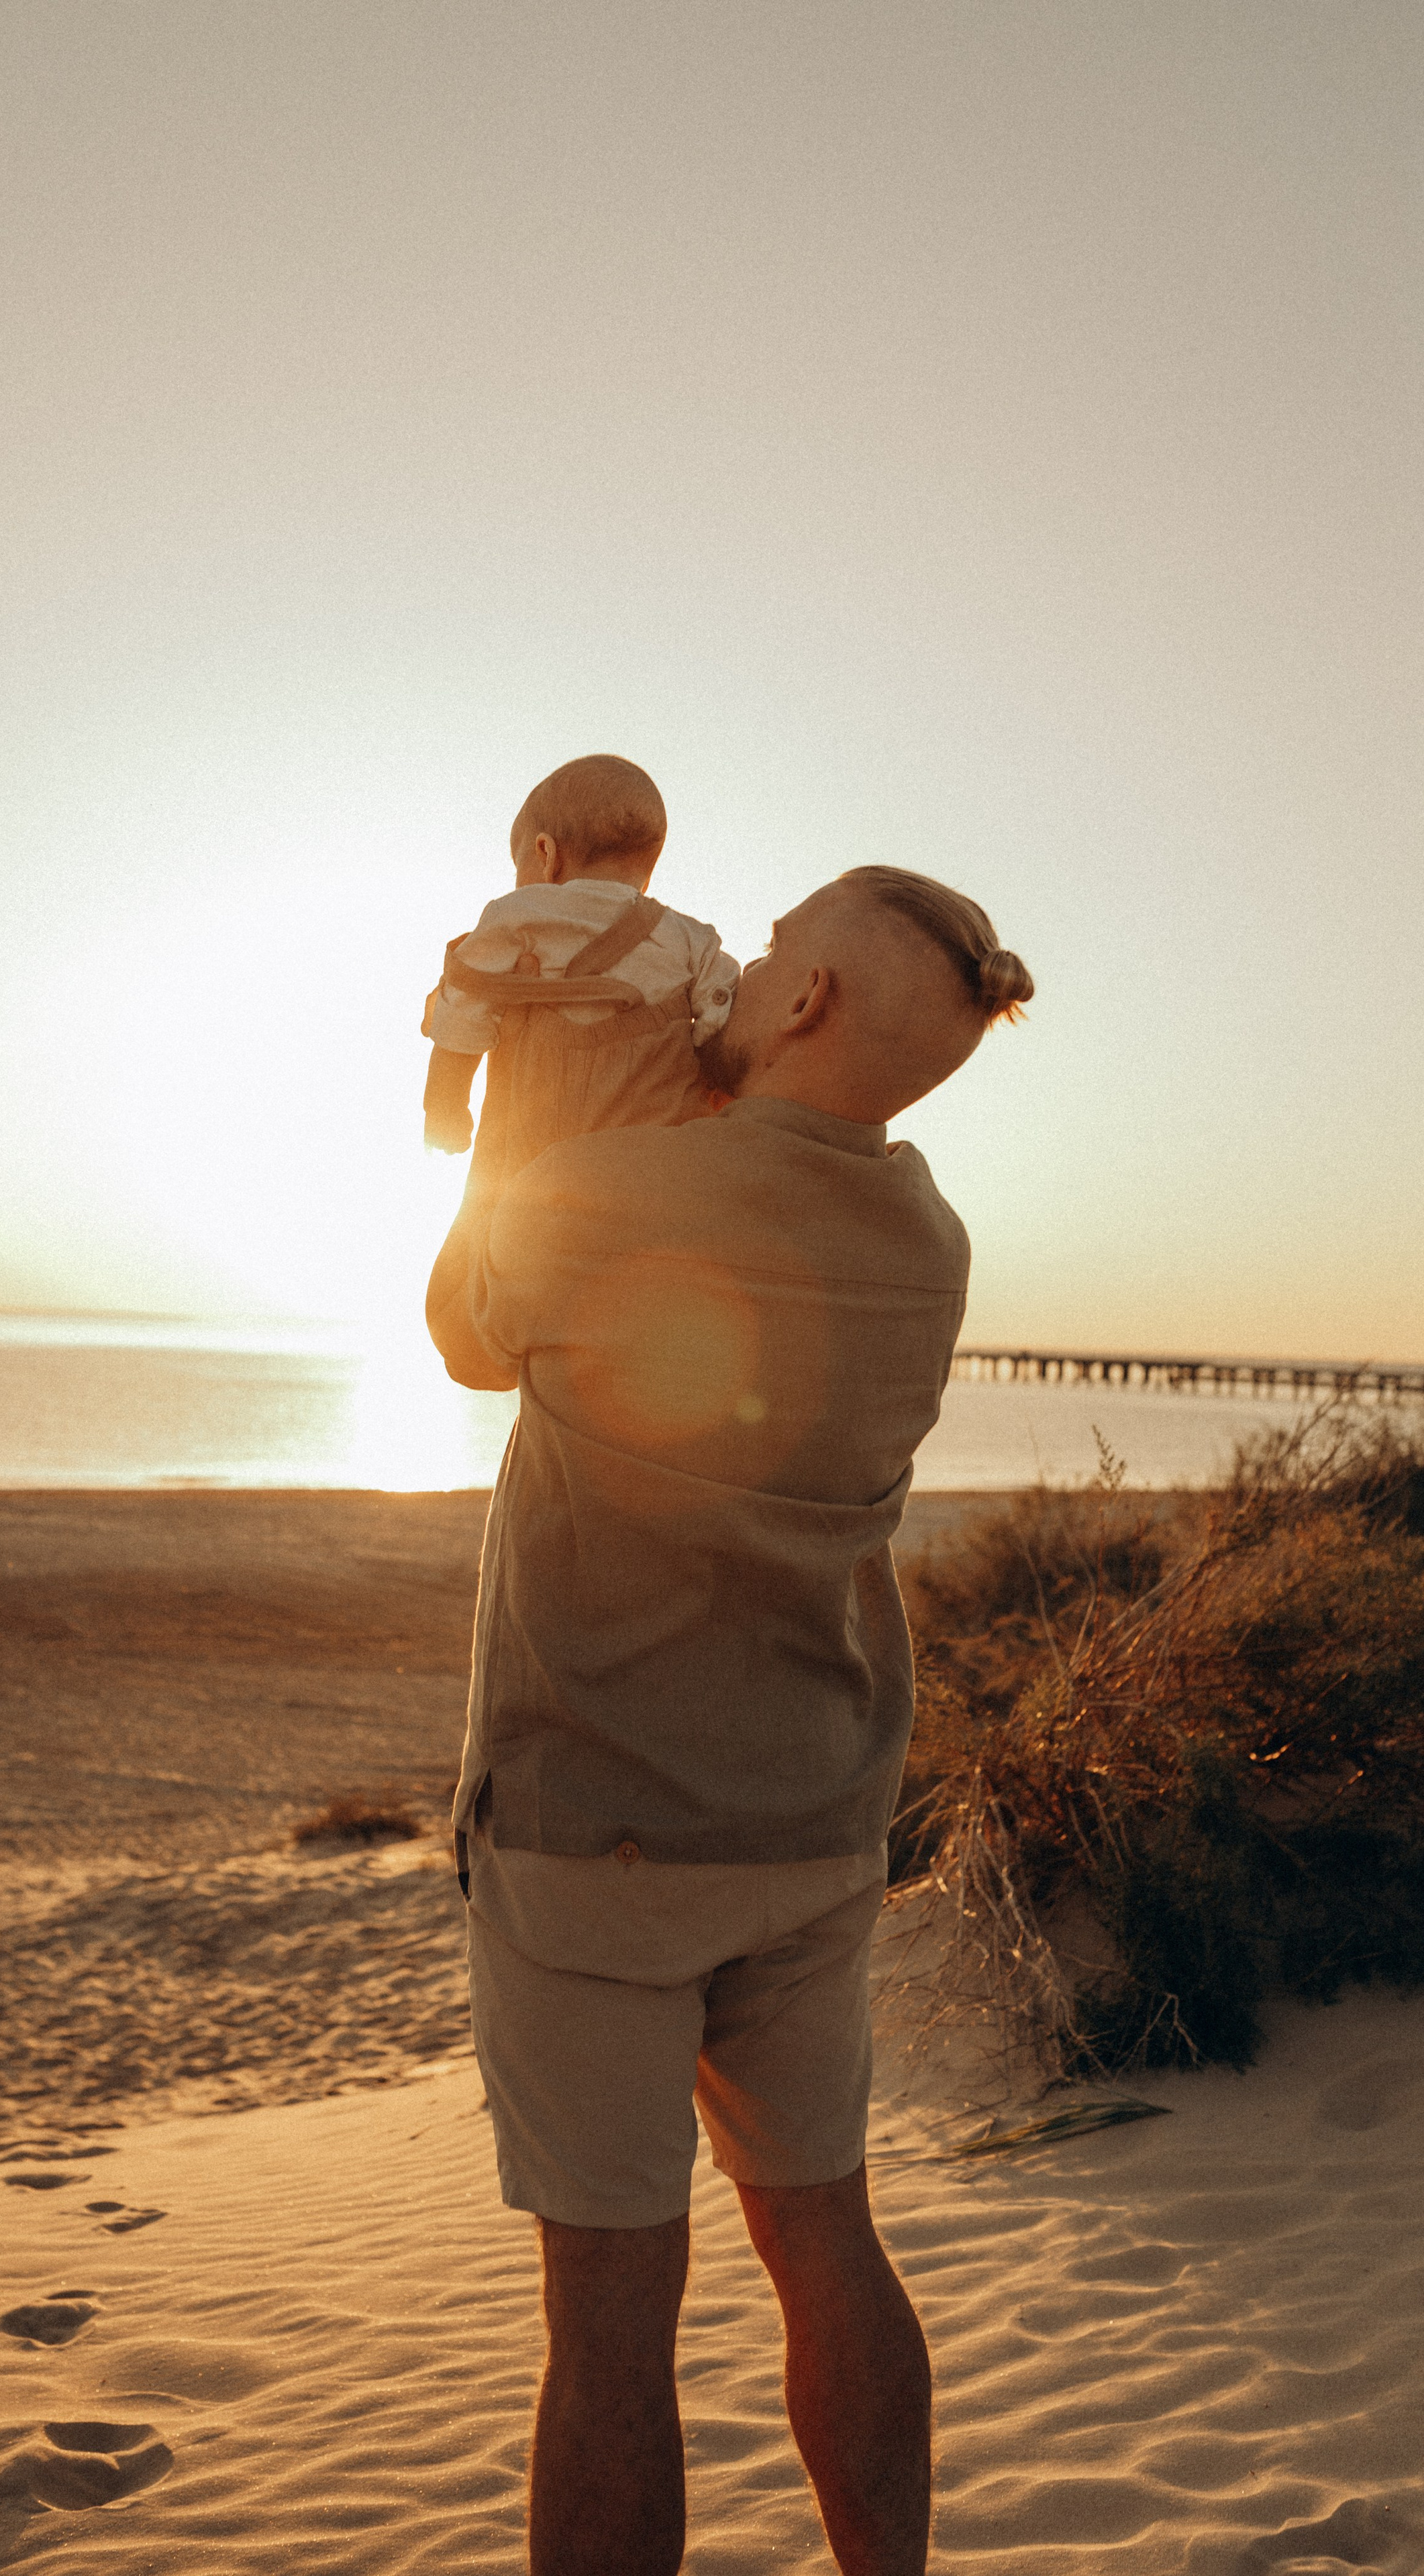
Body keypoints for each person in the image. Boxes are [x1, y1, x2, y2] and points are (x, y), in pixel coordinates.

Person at [426, 865, 1033, 2576]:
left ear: (810, 1004)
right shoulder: (928, 1240)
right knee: (824, 2242)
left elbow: (465, 1335)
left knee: (612, 2323)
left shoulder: (615, 1187)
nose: (740, 970)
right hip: (811, 1827)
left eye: (767, 955)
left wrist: (526, 1114)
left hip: (597, 1839)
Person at [420, 755, 740, 1202]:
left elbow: (463, 1010)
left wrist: (445, 1109)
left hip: (535, 1163)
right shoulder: (692, 940)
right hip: (652, 1166)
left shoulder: (516, 917)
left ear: (546, 854)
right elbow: (723, 1021)